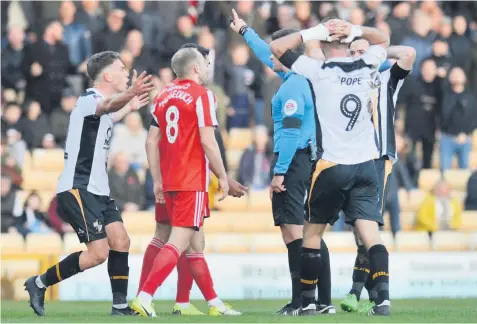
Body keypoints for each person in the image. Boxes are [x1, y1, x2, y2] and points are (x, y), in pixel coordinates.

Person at [270, 19, 391, 316]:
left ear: (323, 46)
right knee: (370, 236)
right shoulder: (367, 65)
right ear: (348, 44)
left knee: (312, 235)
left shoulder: (317, 71)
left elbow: (276, 47)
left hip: (332, 166)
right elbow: (384, 39)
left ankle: (310, 303)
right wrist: (355, 30)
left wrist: (314, 32)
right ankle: (383, 301)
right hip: (365, 165)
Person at [24, 51, 154, 317]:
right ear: (107, 75)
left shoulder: (100, 107)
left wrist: (129, 105)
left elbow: (109, 114)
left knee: (121, 240)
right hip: (78, 188)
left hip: (98, 190)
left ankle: (119, 306)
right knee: (97, 254)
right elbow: (105, 107)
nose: (126, 72)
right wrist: (129, 95)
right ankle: (39, 283)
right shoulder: (88, 100)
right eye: (121, 68)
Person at [230, 9, 334, 315]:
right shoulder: (298, 76)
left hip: (294, 160)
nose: (269, 59)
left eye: (276, 53)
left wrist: (278, 173)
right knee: (306, 232)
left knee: (295, 232)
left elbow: (289, 134)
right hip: (305, 158)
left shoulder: (292, 86)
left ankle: (304, 300)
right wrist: (244, 30)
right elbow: (266, 53)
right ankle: (321, 300)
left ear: (285, 55)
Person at [136, 44, 246, 316]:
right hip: (191, 180)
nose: (208, 69)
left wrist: (156, 180)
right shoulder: (203, 95)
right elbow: (208, 141)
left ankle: (213, 303)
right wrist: (222, 176)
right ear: (196, 67)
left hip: (169, 178)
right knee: (177, 242)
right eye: (206, 64)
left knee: (195, 245)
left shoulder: (162, 96)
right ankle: (144, 296)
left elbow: (151, 140)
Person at [340, 39, 415, 314]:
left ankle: (361, 293)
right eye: (354, 53)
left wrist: (379, 52)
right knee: (358, 231)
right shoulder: (343, 82)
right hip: (349, 161)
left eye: (363, 52)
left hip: (375, 160)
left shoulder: (385, 79)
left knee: (367, 229)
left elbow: (409, 54)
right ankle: (369, 297)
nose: (358, 57)